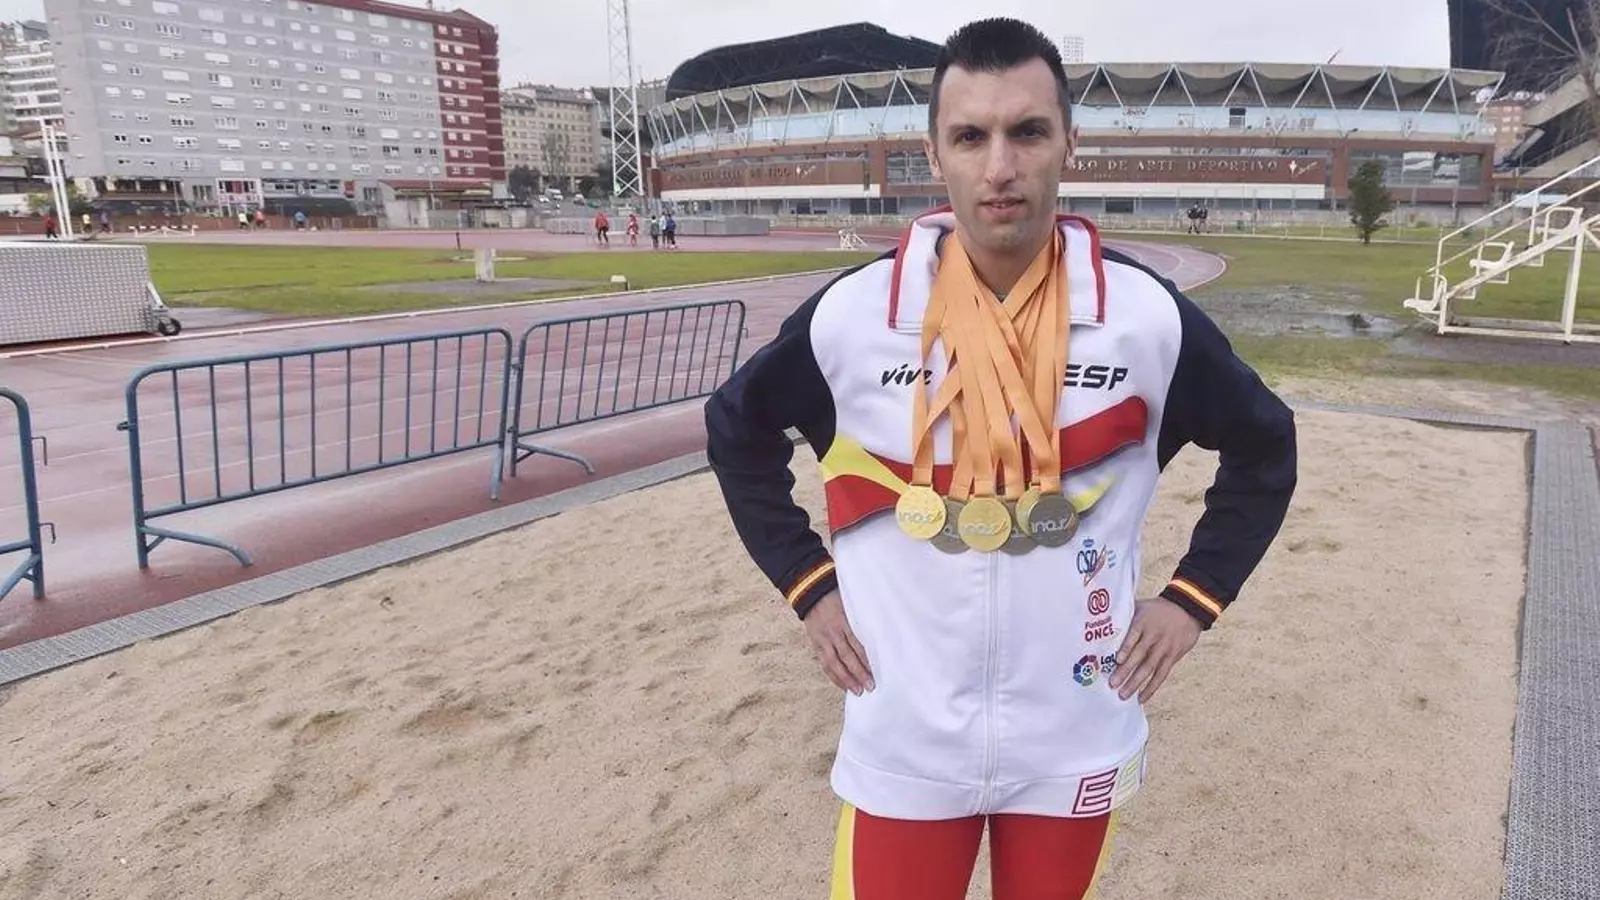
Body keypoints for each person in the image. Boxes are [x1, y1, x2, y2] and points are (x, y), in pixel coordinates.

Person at [703, 17, 1297, 900]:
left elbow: (1265, 443)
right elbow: (735, 429)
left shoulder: (1144, 319)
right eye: (970, 137)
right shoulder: (854, 318)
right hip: (907, 737)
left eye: (1027, 131)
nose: (1000, 167)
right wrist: (809, 586)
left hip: (1076, 733)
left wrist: (1192, 601)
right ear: (933, 153)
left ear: (1070, 143)